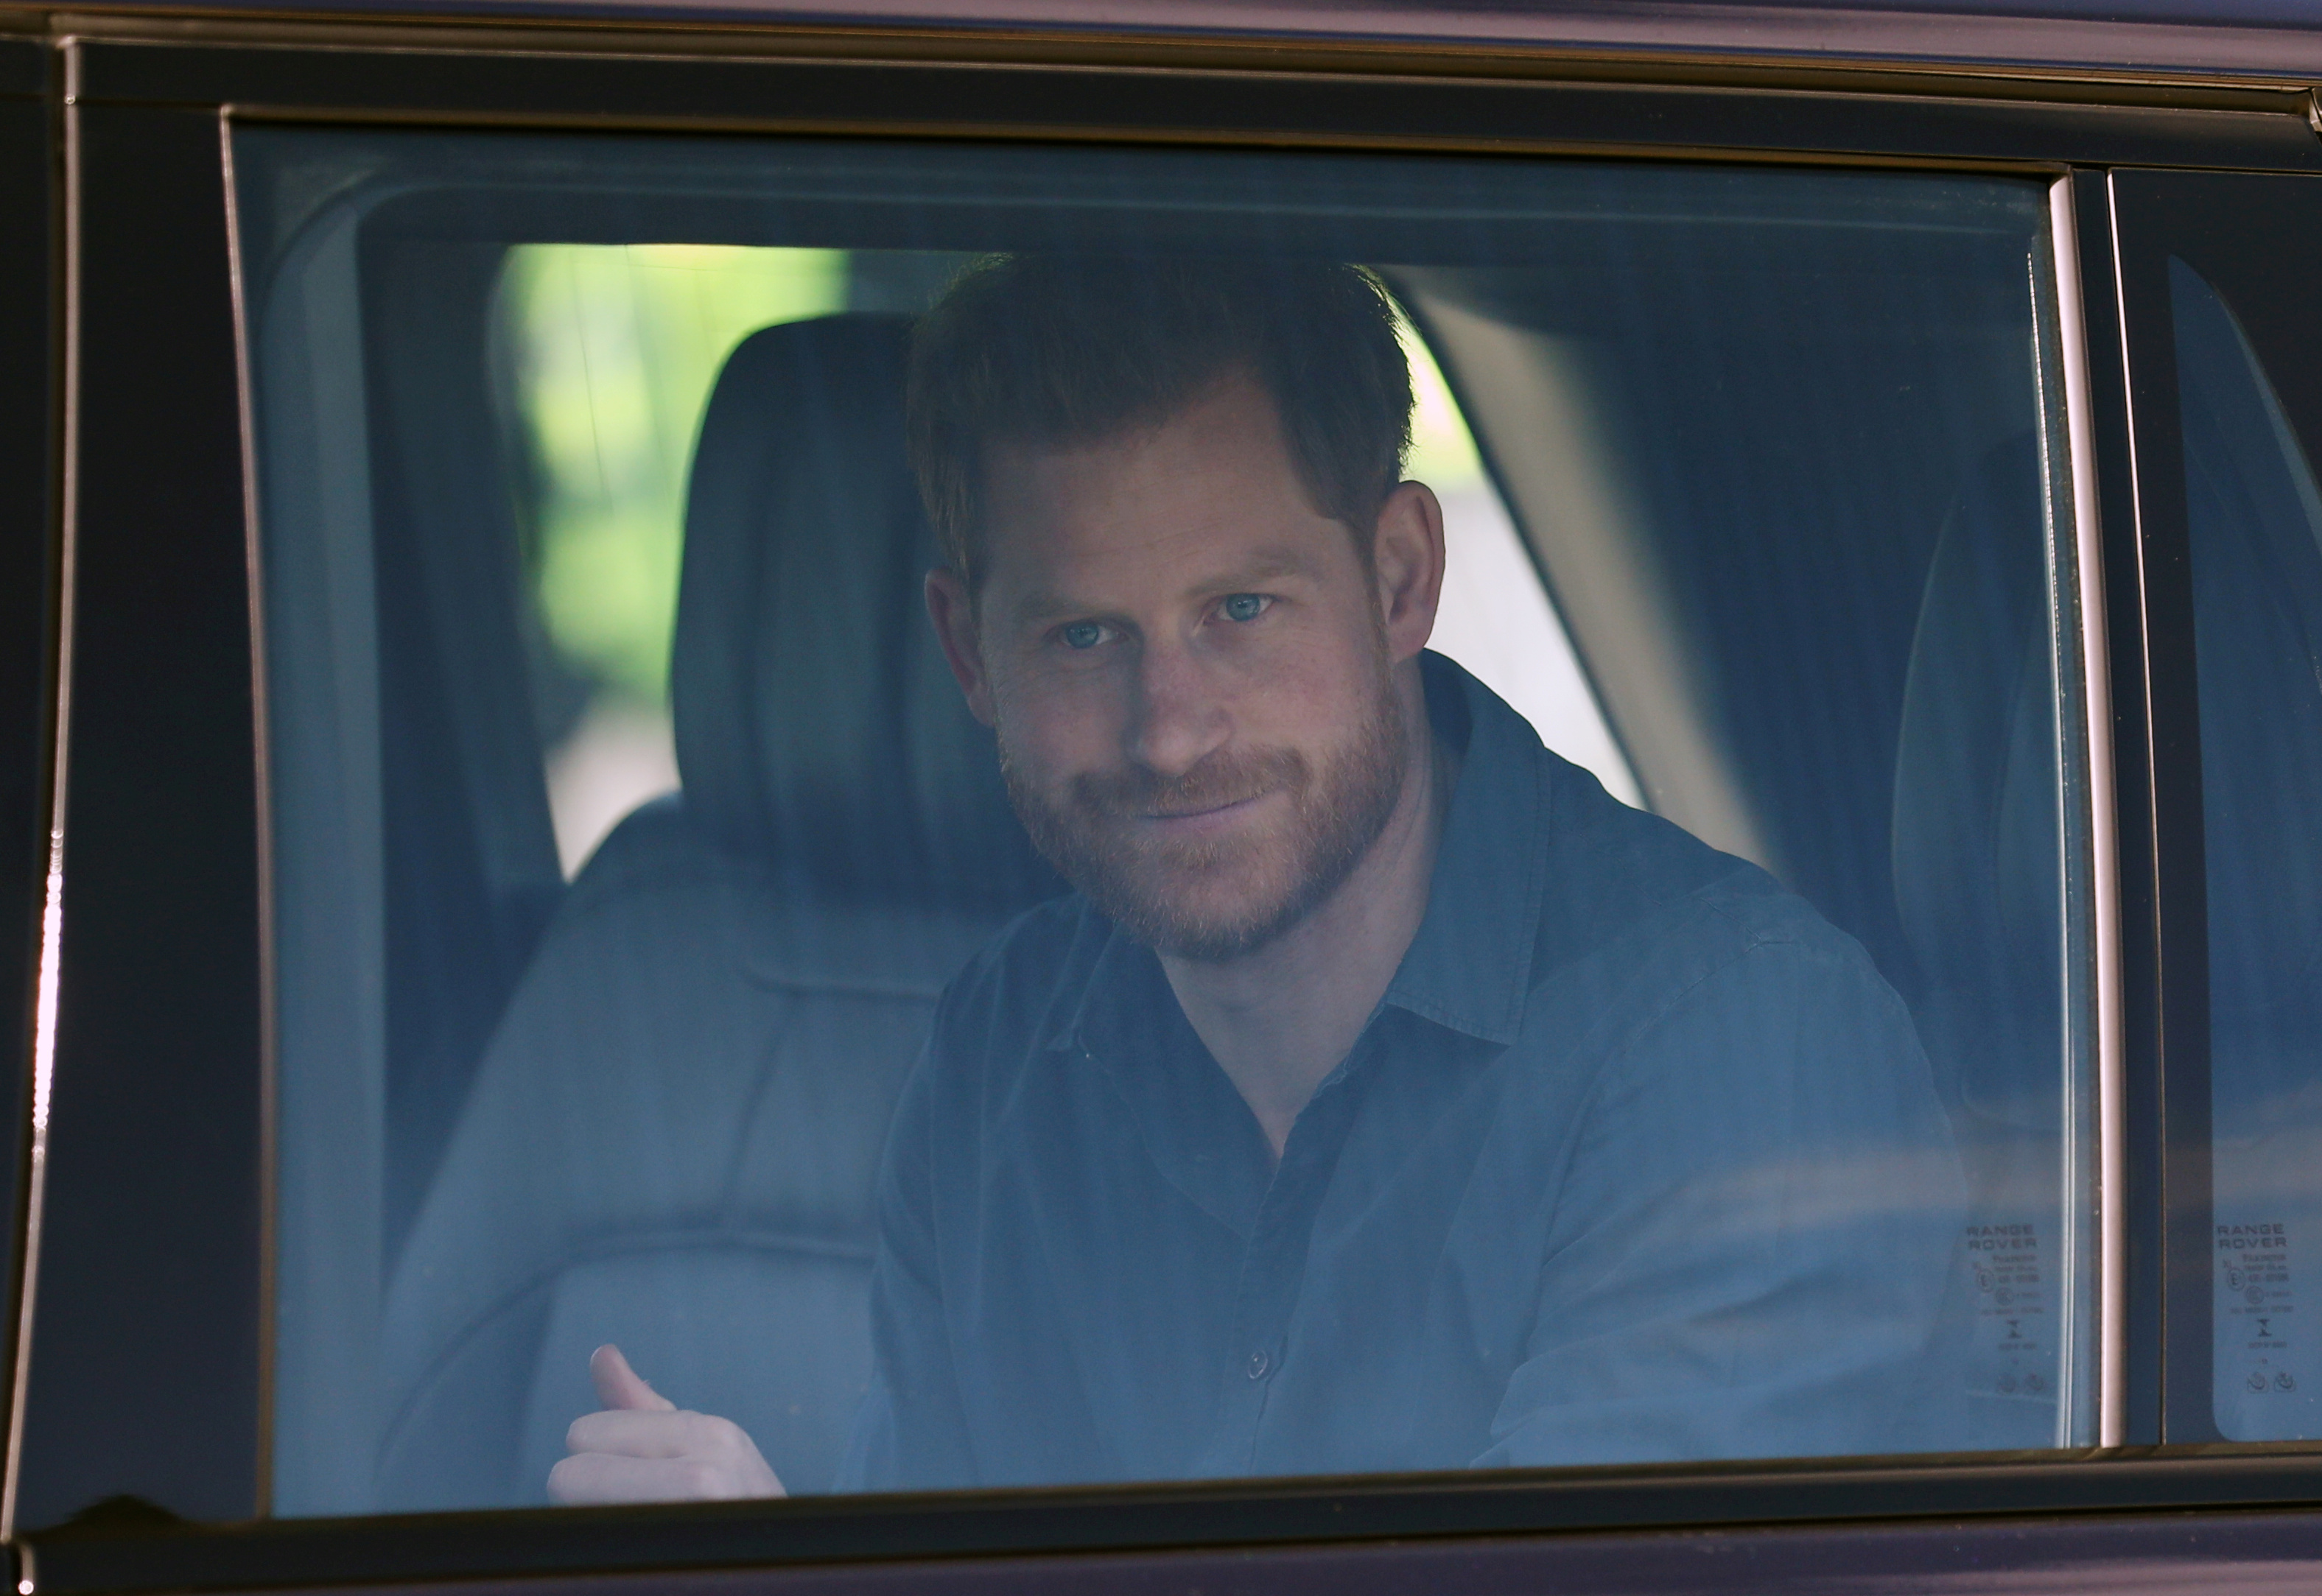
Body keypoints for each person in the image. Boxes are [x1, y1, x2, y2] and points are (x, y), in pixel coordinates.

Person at [547, 256, 1968, 1505]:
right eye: (1085, 638)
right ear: (970, 657)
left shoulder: (1740, 1054)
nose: (1169, 729)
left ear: (1401, 581)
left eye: (1241, 610)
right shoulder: (1000, 1052)